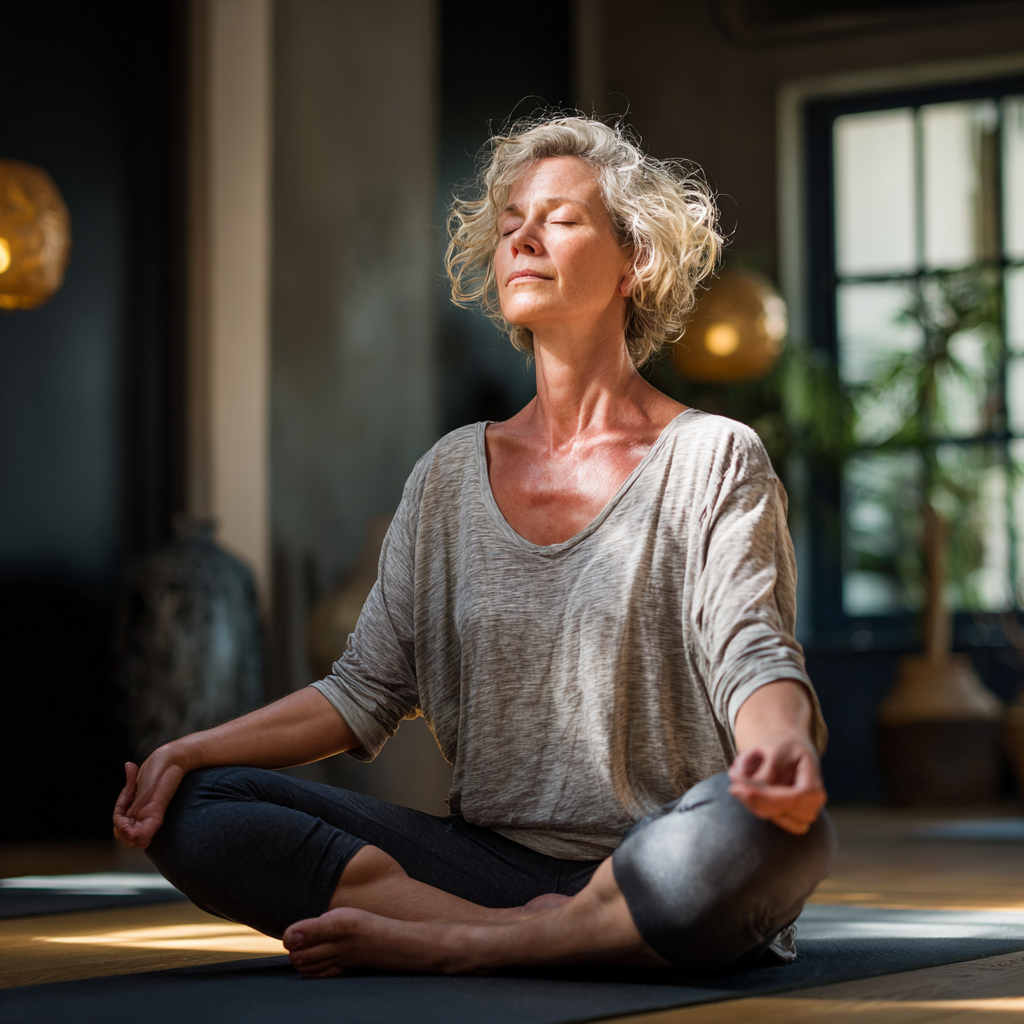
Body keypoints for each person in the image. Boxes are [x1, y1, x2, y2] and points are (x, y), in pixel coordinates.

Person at [113, 116, 834, 978]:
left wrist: (777, 744)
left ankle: (454, 944)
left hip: (665, 853)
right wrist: (189, 749)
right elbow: (362, 693)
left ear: (634, 262)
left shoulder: (712, 455)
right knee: (196, 809)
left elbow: (752, 652)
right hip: (485, 869)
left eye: (561, 219)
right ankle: (518, 935)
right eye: (509, 224)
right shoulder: (449, 476)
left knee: (772, 834)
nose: (524, 235)